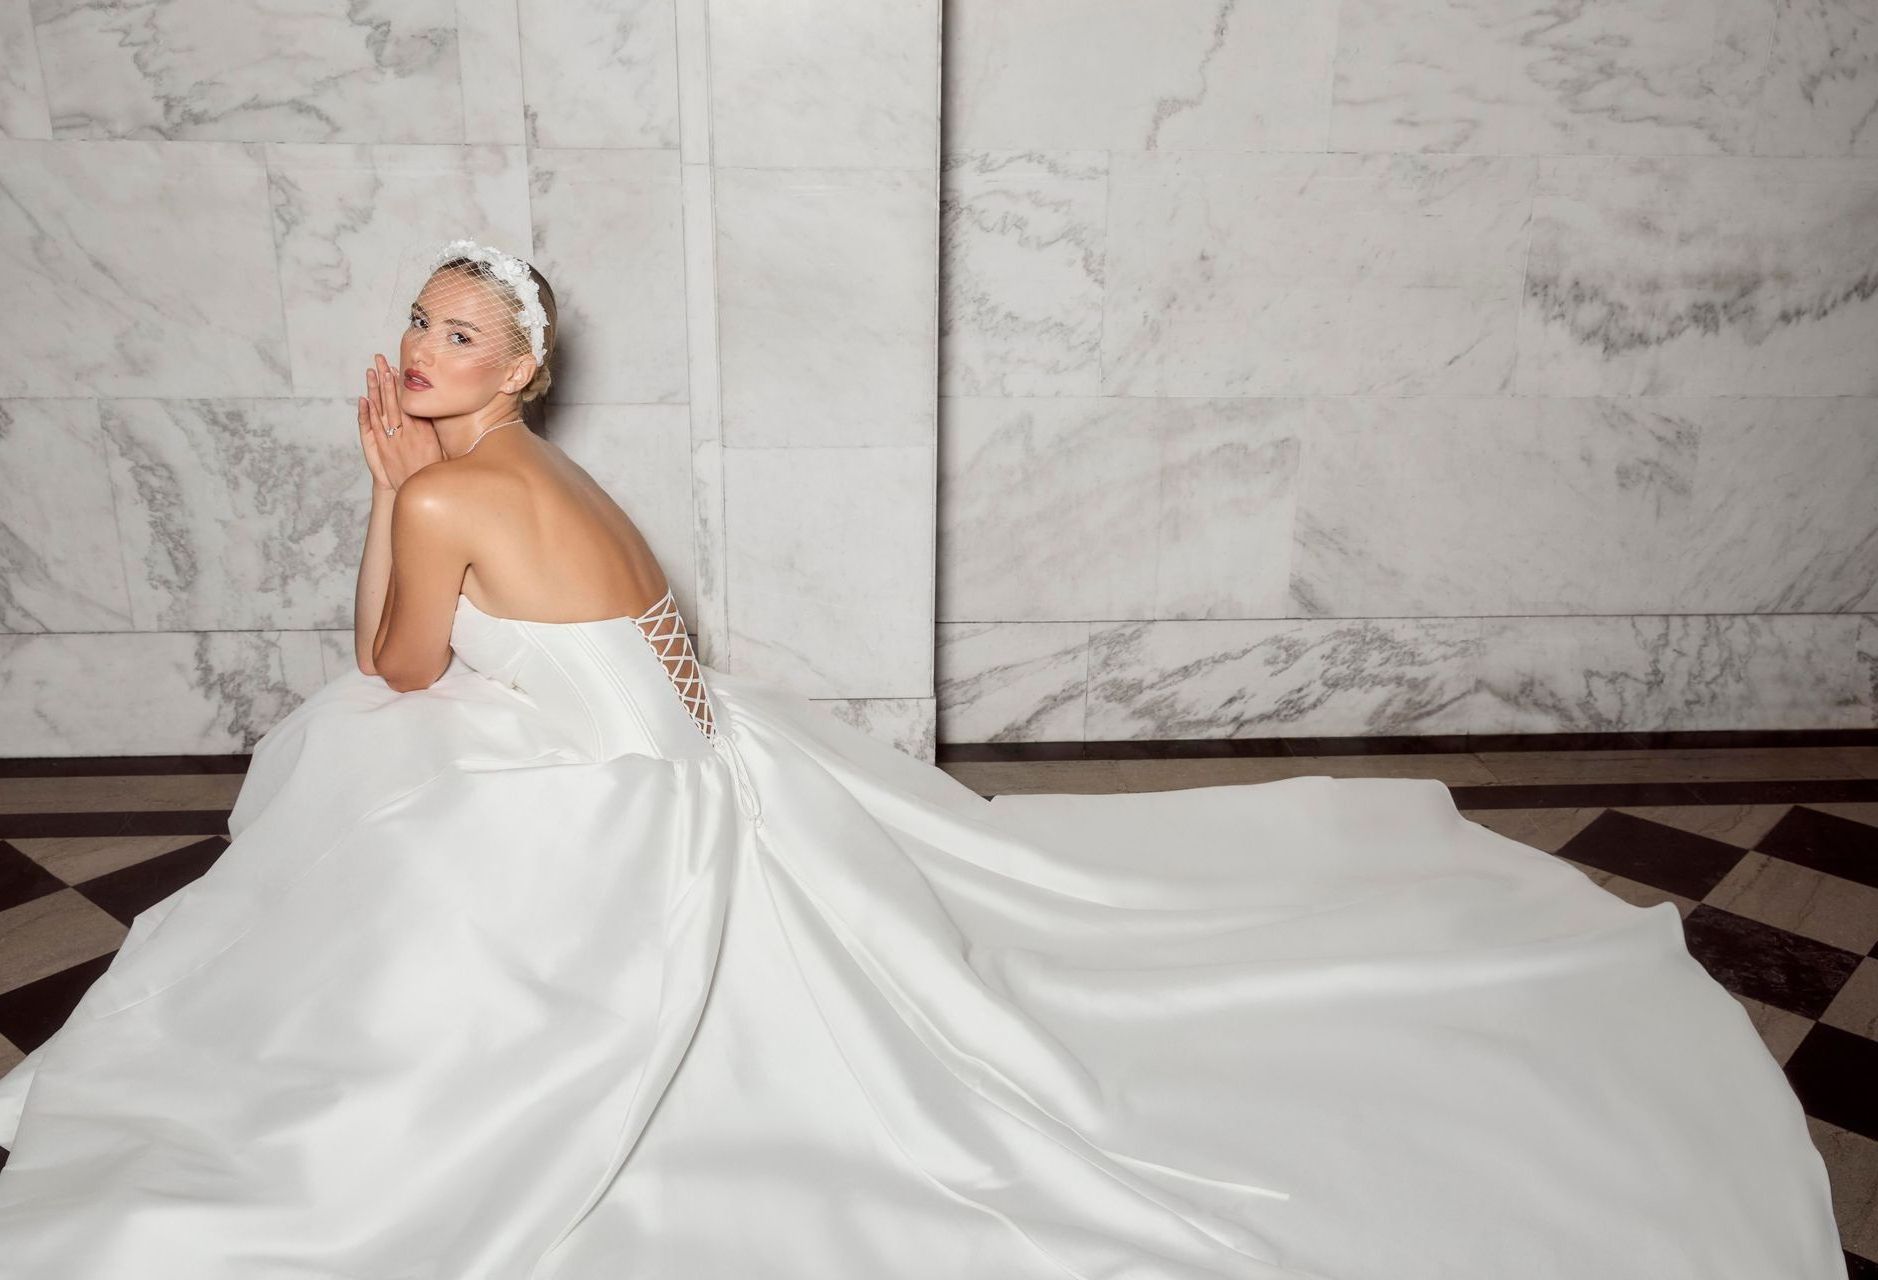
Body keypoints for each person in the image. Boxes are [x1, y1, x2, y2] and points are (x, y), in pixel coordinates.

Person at [0, 240, 1844, 1279]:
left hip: (604, 808)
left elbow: (392, 670)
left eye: (457, 334)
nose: (418, 350)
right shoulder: (543, 470)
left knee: (353, 793)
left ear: (518, 372)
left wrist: (386, 495)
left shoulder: (460, 479)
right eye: (417, 320)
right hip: (695, 760)